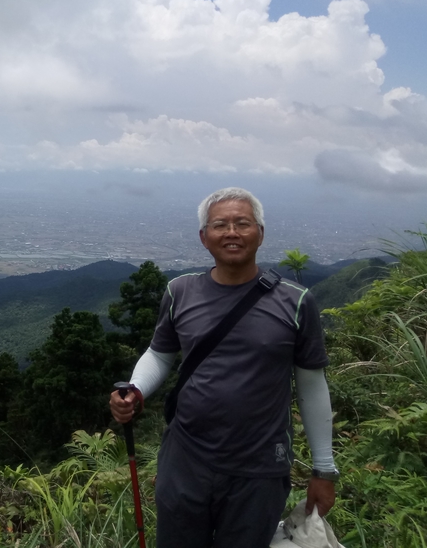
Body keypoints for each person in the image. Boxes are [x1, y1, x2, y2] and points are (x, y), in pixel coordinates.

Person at [109, 187, 337, 548]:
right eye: (220, 225)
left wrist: (324, 469)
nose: (232, 232)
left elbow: (312, 386)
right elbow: (160, 353)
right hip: (185, 459)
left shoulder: (295, 302)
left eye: (242, 223)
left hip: (259, 466)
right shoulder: (180, 291)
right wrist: (136, 390)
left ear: (260, 233)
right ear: (204, 237)